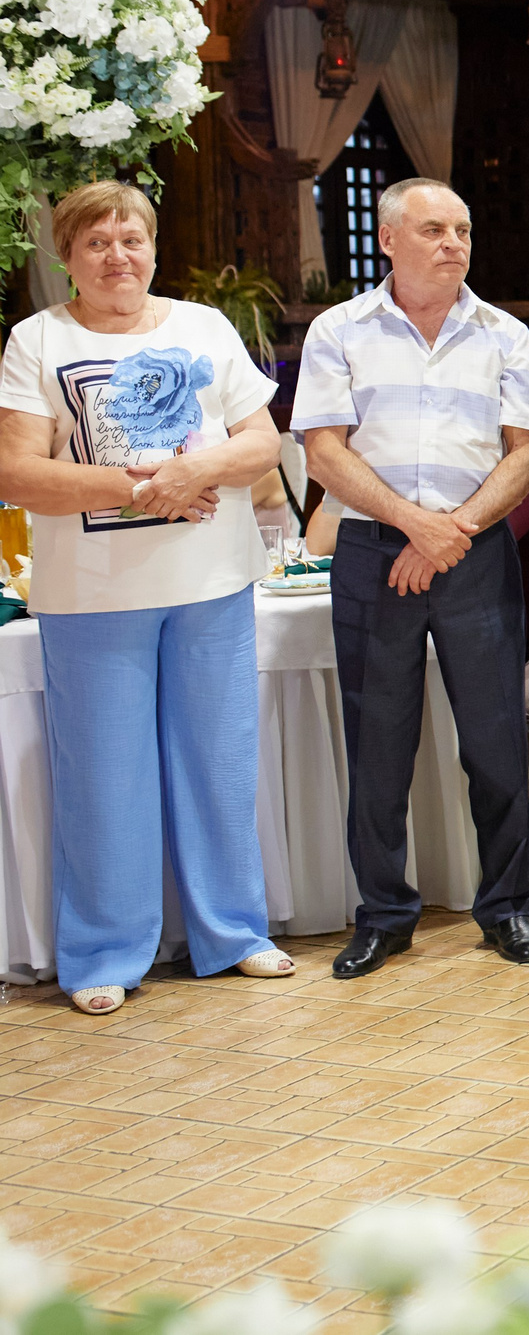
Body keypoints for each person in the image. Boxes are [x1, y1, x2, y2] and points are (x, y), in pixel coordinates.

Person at [0, 180, 296, 1014]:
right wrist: (138, 488)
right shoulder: (36, 339)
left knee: (219, 766)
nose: (117, 256)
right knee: (103, 778)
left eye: (131, 239)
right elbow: (17, 472)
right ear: (67, 257)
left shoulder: (204, 326)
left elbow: (262, 441)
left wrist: (194, 469)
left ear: (155, 248)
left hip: (211, 582)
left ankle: (233, 932)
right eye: (96, 243)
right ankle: (104, 950)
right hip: (91, 594)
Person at [296, 178, 529, 980]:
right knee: (378, 743)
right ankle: (383, 915)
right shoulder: (340, 330)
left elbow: (527, 455)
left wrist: (451, 531)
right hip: (374, 553)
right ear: (388, 240)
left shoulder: (504, 333)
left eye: (463, 230)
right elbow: (324, 451)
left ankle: (506, 907)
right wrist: (416, 525)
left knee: (494, 740)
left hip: (476, 551)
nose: (454, 243)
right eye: (435, 229)